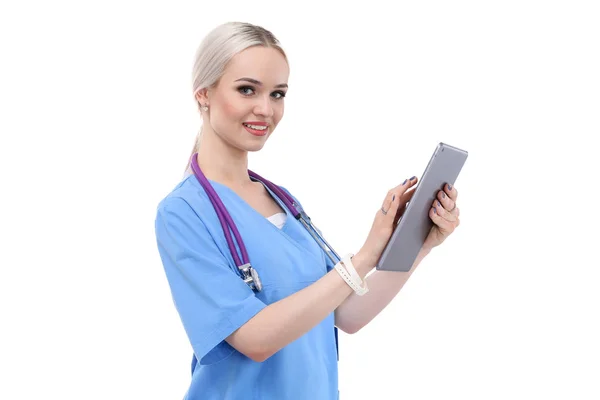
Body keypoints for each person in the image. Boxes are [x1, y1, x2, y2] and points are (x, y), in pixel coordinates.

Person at [154, 21, 461, 400]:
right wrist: (364, 257)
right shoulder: (183, 213)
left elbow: (346, 314)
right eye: (246, 89)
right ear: (203, 94)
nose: (265, 109)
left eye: (277, 93)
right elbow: (255, 338)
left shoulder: (284, 203)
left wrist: (418, 242)